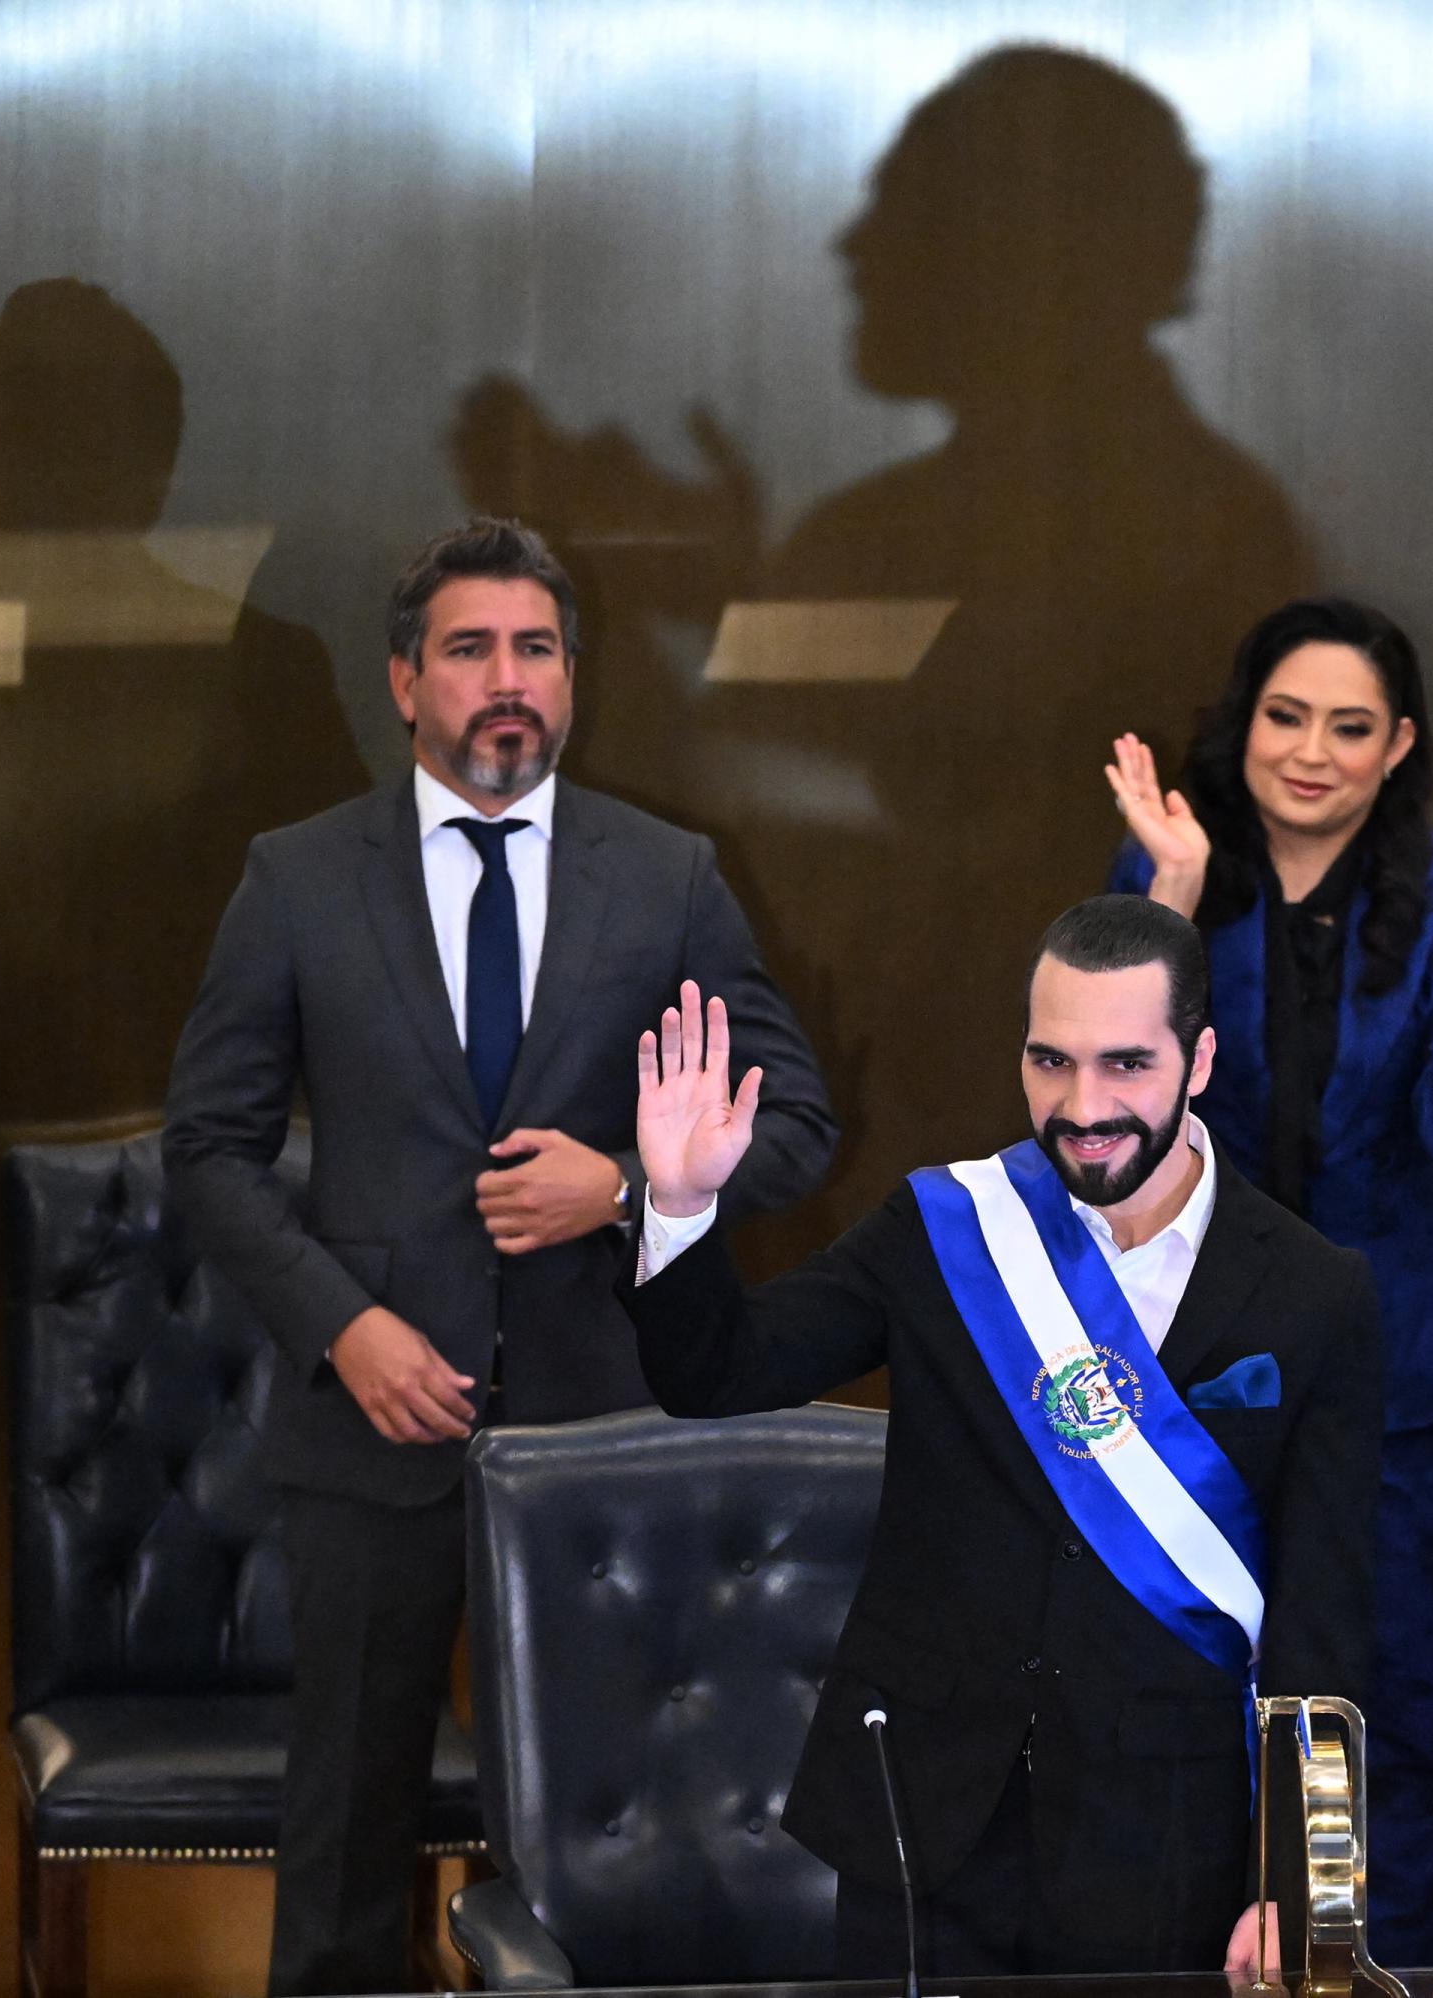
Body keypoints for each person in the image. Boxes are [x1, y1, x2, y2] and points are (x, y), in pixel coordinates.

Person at [162, 518, 837, 1994]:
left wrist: (622, 1194)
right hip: (373, 1429)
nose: (506, 679)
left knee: (604, 1856)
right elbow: (205, 1149)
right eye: (470, 649)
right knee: (344, 1855)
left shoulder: (663, 878)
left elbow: (795, 1122)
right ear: (406, 682)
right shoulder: (296, 878)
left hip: (603, 1438)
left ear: (574, 681)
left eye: (536, 648)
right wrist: (345, 1328)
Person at [624, 895, 1383, 1979]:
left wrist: (1303, 1884)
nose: (1083, 1107)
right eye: (1050, 1062)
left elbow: (1327, 1622)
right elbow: (714, 1372)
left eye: (1127, 1065)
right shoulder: (952, 1230)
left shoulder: (1316, 1295)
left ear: (1200, 1059)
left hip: (1167, 1838)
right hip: (925, 1822)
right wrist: (683, 1202)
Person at [1100, 595, 1433, 1966]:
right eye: (1286, 717)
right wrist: (1166, 899)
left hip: (1407, 1373)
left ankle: (1390, 1972)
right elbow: (1113, 1125)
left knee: (1402, 1718)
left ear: (1398, 744)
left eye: (1351, 727)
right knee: (1189, 1709)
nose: (1312, 753)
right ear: (1244, 726)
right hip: (1197, 1359)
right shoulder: (1165, 863)